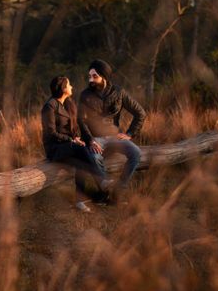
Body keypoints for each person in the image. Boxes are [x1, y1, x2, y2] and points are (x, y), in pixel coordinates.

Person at [41, 76, 110, 213]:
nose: (72, 87)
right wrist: (71, 141)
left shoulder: (66, 104)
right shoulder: (49, 106)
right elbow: (51, 133)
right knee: (82, 149)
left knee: (81, 165)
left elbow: (70, 129)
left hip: (67, 147)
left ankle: (79, 201)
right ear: (63, 88)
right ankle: (101, 179)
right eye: (69, 84)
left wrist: (76, 138)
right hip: (55, 149)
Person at [77, 59, 147, 194]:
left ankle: (120, 188)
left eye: (94, 76)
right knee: (95, 158)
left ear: (104, 76)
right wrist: (90, 140)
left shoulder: (119, 92)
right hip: (95, 138)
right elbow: (81, 120)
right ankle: (106, 192)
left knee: (136, 153)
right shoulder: (85, 95)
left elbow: (140, 113)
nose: (91, 79)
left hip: (115, 137)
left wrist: (130, 133)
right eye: (89, 76)